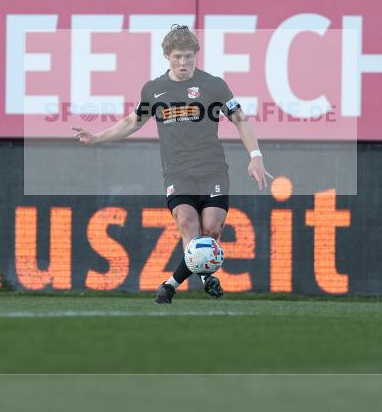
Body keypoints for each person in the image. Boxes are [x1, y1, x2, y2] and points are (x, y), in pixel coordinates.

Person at [73, 25, 272, 304]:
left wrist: (256, 156)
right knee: (187, 223)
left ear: (195, 55)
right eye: (178, 56)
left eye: (189, 56)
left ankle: (171, 284)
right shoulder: (154, 89)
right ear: (167, 56)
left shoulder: (214, 85)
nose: (183, 62)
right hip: (177, 172)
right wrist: (97, 137)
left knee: (211, 230)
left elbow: (240, 120)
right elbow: (132, 122)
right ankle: (203, 278)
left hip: (213, 169)